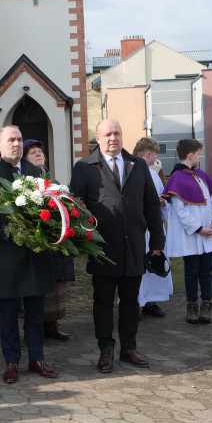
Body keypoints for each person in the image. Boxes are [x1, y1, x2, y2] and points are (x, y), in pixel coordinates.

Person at [70, 119, 164, 372]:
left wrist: (157, 240)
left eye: (117, 133)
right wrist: (81, 242)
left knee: (131, 301)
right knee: (102, 301)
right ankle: (106, 349)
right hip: (102, 248)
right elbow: (75, 208)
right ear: (97, 139)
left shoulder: (138, 165)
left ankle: (129, 348)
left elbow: (152, 205)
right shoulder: (84, 167)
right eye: (108, 134)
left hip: (133, 245)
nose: (113, 138)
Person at [0, 126, 58, 383]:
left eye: (20, 139)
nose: (16, 143)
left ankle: (37, 359)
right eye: (11, 139)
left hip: (36, 255)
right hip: (6, 255)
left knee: (35, 311)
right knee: (9, 313)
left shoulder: (36, 173)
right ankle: (12, 362)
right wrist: (13, 232)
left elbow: (50, 208)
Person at [162, 138, 212, 324]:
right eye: (198, 154)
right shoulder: (177, 179)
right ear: (190, 155)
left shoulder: (201, 176)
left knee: (207, 271)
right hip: (192, 235)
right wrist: (198, 229)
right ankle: (192, 305)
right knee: (192, 272)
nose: (200, 157)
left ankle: (206, 304)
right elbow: (180, 210)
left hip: (208, 234)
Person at [23, 139, 71, 340]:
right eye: (32, 152)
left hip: (55, 242)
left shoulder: (52, 180)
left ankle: (52, 324)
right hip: (35, 243)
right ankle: (33, 328)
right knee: (36, 287)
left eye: (40, 151)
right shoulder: (24, 182)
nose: (38, 154)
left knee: (56, 283)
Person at [131, 137, 171, 319]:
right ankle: (133, 302)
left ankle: (150, 301)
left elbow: (161, 196)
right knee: (138, 265)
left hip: (153, 229)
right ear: (149, 154)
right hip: (138, 228)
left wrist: (162, 203)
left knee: (153, 264)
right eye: (155, 154)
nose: (156, 158)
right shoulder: (130, 171)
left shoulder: (154, 174)